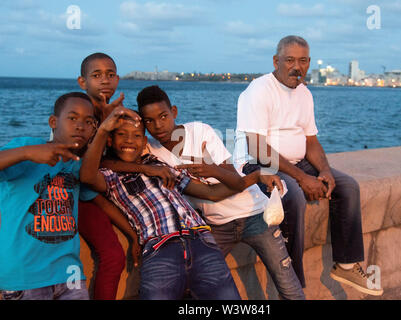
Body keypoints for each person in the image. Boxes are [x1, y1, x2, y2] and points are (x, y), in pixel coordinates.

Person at [117, 85, 304, 300]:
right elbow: (111, 160)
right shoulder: (150, 149)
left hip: (255, 214)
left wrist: (210, 169)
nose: (158, 125)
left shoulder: (199, 131)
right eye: (149, 121)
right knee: (194, 286)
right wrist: (145, 168)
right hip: (216, 225)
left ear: (174, 112)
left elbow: (235, 179)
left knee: (288, 286)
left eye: (163, 116)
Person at [79, 106, 280, 300]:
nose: (130, 140)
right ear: (110, 140)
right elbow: (86, 175)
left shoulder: (160, 165)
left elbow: (212, 193)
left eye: (137, 135)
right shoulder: (109, 175)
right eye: (122, 134)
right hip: (160, 248)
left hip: (202, 241)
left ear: (144, 142)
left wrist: (255, 177)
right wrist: (104, 128)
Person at [234, 35, 383, 296]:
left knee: (347, 186)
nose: (296, 67)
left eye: (302, 61)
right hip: (258, 164)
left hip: (295, 162)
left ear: (309, 63)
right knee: (292, 196)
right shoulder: (258, 91)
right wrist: (302, 178)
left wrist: (324, 170)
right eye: (289, 60)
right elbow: (258, 147)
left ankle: (346, 264)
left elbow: (311, 141)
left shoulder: (304, 93)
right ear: (276, 61)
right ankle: (293, 284)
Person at [0, 92, 99, 299]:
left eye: (88, 121)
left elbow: (95, 192)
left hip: (70, 273)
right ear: (53, 122)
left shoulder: (77, 164)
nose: (80, 126)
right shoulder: (27, 146)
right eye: (72, 118)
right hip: (25, 276)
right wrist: (26, 152)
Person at [75, 52, 129, 300]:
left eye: (109, 75)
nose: (104, 80)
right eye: (96, 75)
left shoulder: (120, 114)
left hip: (105, 187)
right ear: (82, 82)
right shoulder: (75, 113)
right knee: (112, 255)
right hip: (80, 193)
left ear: (117, 79)